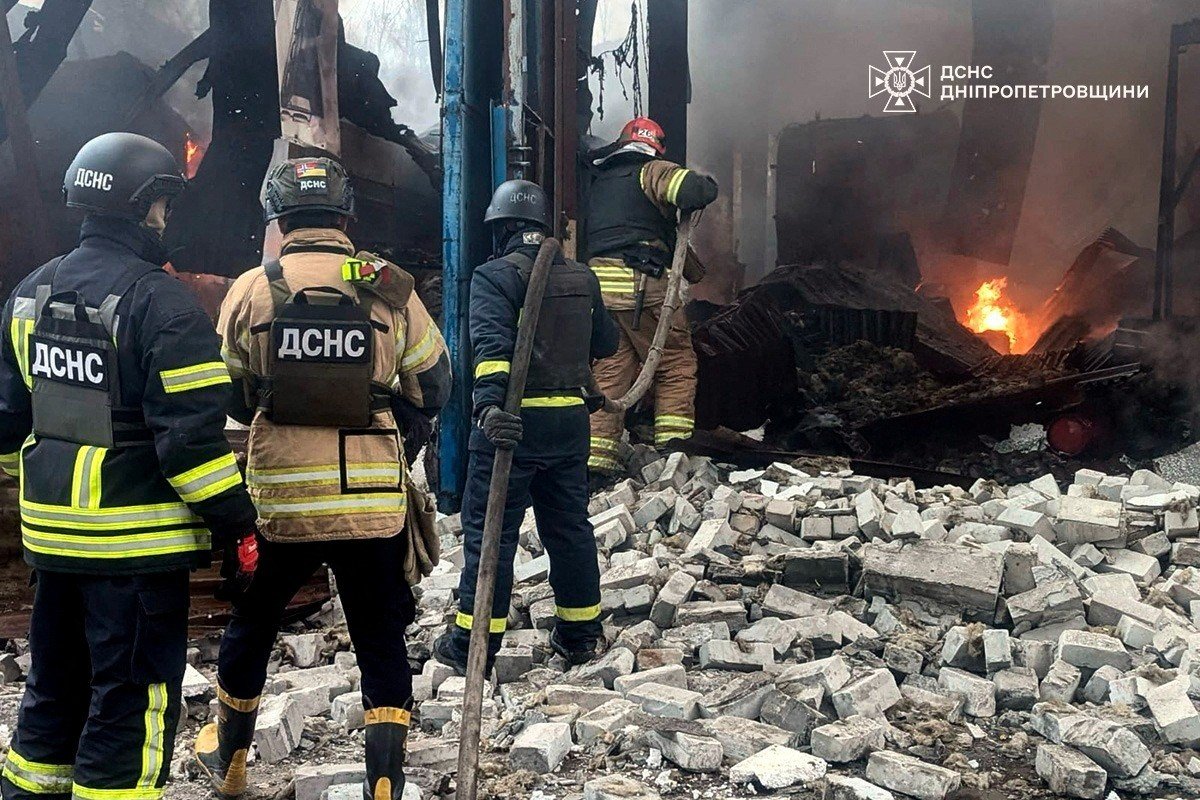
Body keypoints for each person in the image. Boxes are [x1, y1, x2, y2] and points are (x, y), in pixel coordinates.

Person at [0, 132, 259, 800]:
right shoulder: (162, 306)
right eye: (163, 206)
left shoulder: (29, 293)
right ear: (143, 208)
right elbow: (192, 450)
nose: (167, 220)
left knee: (53, 689)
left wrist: (51, 489)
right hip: (135, 553)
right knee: (130, 706)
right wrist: (237, 523)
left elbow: (6, 428)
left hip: (52, 546)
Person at [195, 156, 451, 800]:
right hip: (370, 502)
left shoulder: (253, 289)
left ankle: (231, 760)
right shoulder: (387, 288)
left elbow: (225, 393)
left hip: (282, 501)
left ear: (277, 218)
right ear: (345, 216)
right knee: (377, 633)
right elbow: (437, 382)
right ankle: (385, 783)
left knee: (253, 622)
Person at [434, 180, 619, 672]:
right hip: (569, 428)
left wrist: (489, 409)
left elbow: (492, 350)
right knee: (569, 531)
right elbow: (607, 341)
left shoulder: (494, 276)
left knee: (491, 536)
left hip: (510, 431)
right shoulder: (583, 278)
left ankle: (472, 646)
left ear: (503, 230)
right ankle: (580, 635)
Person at [585, 117, 719, 474]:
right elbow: (692, 190)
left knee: (613, 368)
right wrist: (707, 185)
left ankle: (597, 460)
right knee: (675, 363)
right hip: (641, 290)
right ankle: (674, 454)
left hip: (602, 297)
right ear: (655, 146)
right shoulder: (652, 171)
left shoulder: (600, 181)